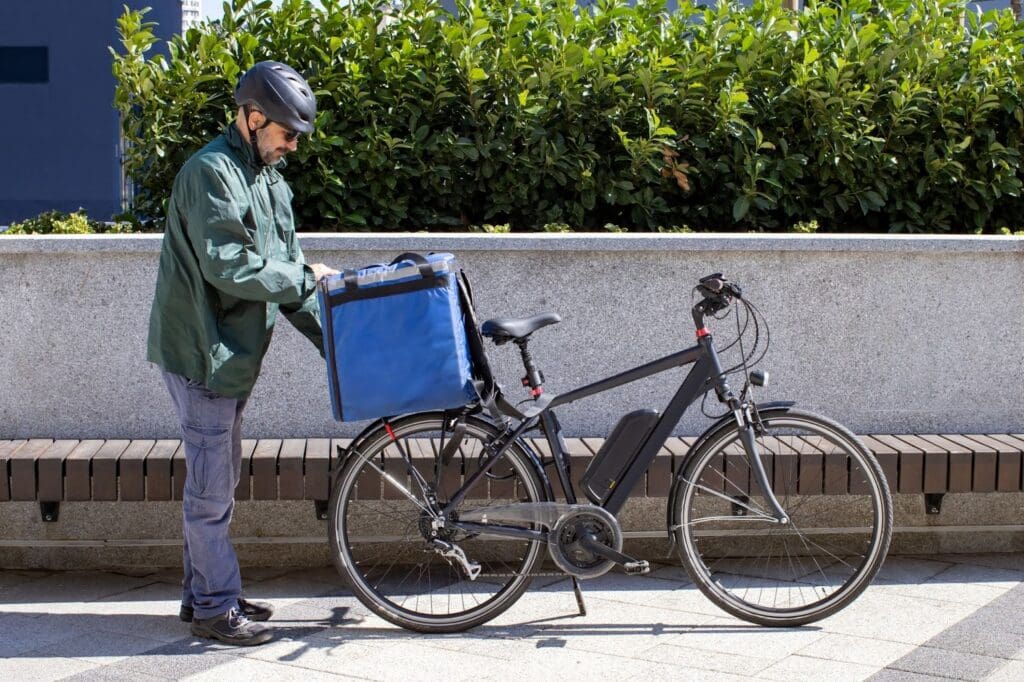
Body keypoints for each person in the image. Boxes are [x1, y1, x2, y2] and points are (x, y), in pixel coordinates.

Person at [146, 61, 338, 646]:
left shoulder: (271, 181)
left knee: (217, 481)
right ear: (254, 118)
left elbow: (290, 283)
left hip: (234, 355)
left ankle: (202, 593)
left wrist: (339, 347)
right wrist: (305, 277)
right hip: (203, 350)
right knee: (211, 488)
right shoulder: (210, 173)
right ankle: (213, 606)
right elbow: (230, 268)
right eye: (286, 132)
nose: (294, 145)